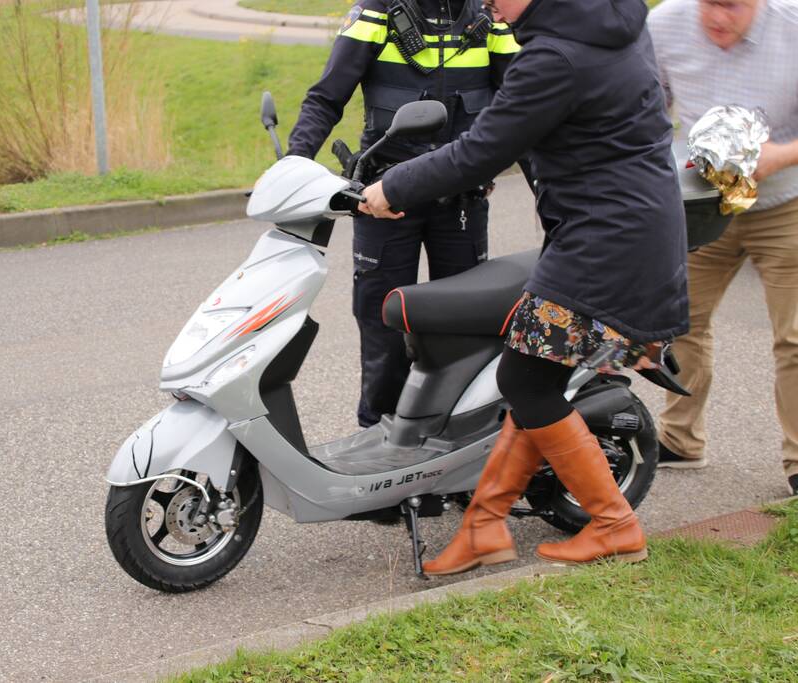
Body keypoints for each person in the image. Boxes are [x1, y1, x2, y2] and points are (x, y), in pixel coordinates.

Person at [361, 0, 688, 573]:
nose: (485, 2)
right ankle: (485, 526)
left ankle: (613, 525)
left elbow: (482, 150)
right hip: (627, 225)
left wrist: (392, 186)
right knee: (533, 377)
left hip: (606, 238)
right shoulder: (606, 20)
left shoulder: (555, 56)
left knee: (525, 380)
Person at [287, 0, 521, 428]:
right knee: (383, 327)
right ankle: (377, 431)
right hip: (383, 198)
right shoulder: (375, 12)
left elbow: (524, 108)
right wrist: (293, 164)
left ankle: (461, 433)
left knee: (467, 325)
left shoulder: (490, 17)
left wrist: (554, 198)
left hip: (461, 198)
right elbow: (326, 98)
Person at [648, 0, 798, 497]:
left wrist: (781, 155)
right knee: (681, 322)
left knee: (795, 339)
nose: (717, 18)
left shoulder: (794, 27)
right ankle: (680, 440)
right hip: (702, 206)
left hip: (784, 204)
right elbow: (645, 110)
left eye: (731, 5)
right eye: (709, 3)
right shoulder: (664, 24)